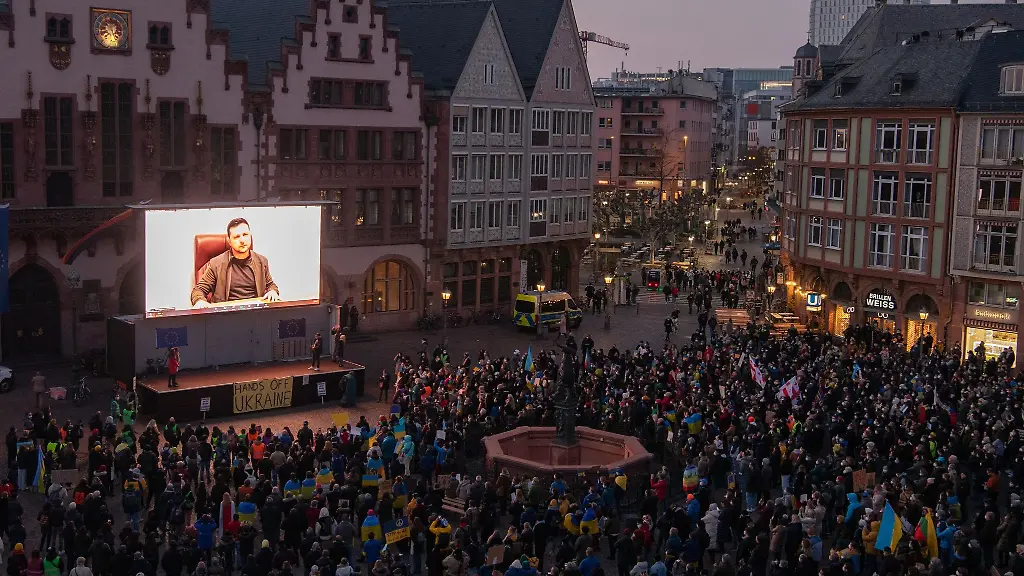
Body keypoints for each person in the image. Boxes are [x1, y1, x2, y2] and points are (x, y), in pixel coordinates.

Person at [191, 217, 280, 308]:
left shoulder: (261, 261)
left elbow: (271, 285)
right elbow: (198, 290)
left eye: (245, 235)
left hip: (255, 313)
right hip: (226, 315)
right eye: (237, 237)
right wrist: (199, 300)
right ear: (229, 241)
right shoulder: (216, 264)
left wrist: (272, 291)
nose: (242, 240)